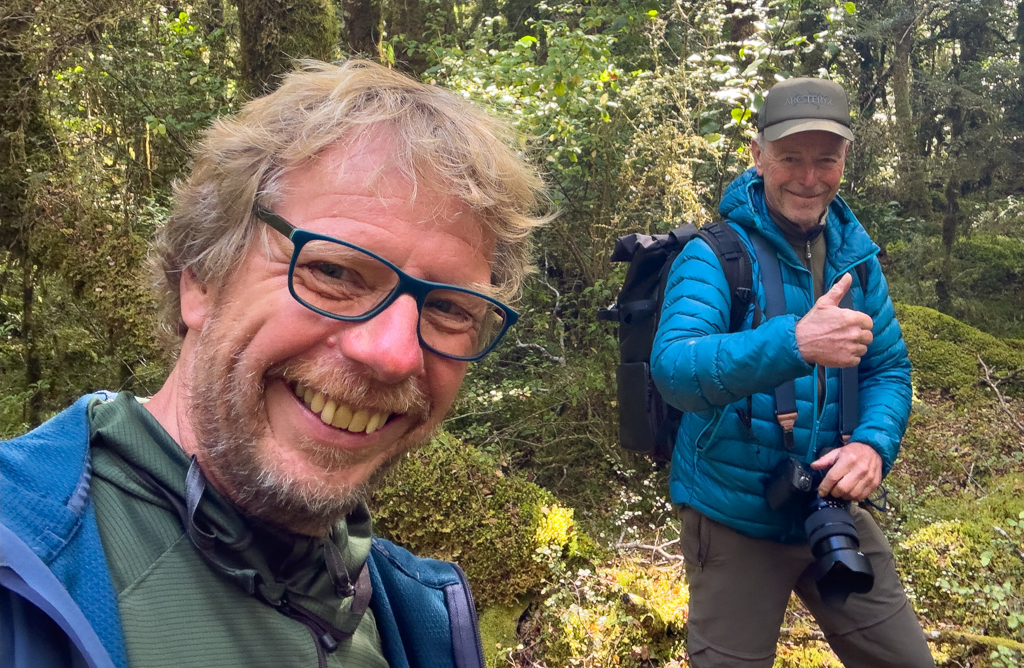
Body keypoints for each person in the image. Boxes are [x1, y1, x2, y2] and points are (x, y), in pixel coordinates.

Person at [0, 59, 547, 668]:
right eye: (334, 272)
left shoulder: (414, 619)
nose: (394, 354)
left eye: (449, 308)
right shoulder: (20, 564)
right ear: (201, 276)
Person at [651, 77, 934, 668]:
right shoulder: (715, 254)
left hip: (830, 506)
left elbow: (888, 368)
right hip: (733, 513)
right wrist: (794, 342)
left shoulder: (857, 257)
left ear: (844, 161)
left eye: (825, 160)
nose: (809, 178)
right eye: (790, 159)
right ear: (757, 156)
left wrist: (872, 446)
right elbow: (674, 369)